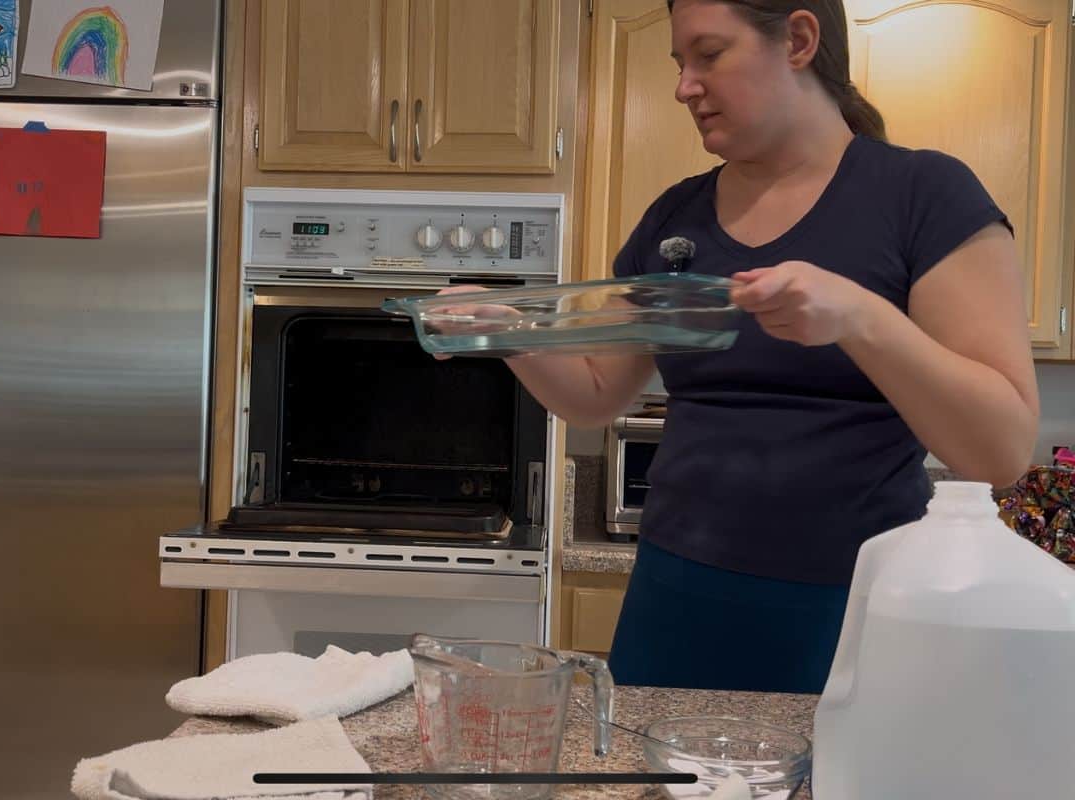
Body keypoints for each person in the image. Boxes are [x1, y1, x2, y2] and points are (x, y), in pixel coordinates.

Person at [442, 0, 1039, 693]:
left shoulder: (925, 196)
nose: (683, 85)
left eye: (709, 54)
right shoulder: (675, 218)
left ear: (799, 40)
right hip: (676, 590)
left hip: (852, 602)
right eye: (679, 62)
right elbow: (596, 393)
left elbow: (998, 450)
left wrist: (862, 317)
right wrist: (513, 333)